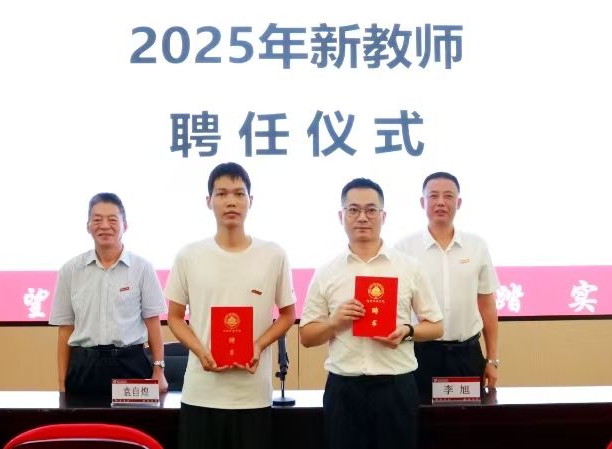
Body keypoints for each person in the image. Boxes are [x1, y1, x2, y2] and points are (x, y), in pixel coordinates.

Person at [300, 178, 444, 449]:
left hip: (395, 388)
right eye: (353, 210)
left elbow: (436, 326)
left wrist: (407, 332)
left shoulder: (409, 267)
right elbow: (306, 336)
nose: (362, 218)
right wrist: (335, 322)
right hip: (345, 389)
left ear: (383, 216)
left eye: (370, 210)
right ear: (341, 216)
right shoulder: (327, 272)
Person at [165, 162, 296, 449]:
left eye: (239, 193)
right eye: (222, 194)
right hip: (201, 393)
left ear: (251, 200)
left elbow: (288, 315)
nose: (231, 201)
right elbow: (174, 317)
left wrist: (259, 345)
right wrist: (200, 351)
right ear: (208, 201)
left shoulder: (273, 254)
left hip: (253, 396)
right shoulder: (189, 255)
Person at [395, 171, 500, 403]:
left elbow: (487, 306)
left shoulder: (477, 246)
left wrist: (492, 359)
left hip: (466, 355)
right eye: (433, 196)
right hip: (419, 354)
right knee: (419, 418)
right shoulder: (404, 248)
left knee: (465, 421)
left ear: (458, 203)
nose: (441, 202)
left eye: (448, 196)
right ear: (422, 202)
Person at [49, 192, 168, 397]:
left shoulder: (142, 268)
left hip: (131, 364)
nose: (104, 226)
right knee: (82, 419)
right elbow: (65, 330)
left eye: (112, 220)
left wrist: (159, 369)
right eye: (97, 220)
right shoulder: (70, 270)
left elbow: (153, 323)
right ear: (88, 226)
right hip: (84, 367)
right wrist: (61, 383)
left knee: (134, 419)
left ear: (125, 225)